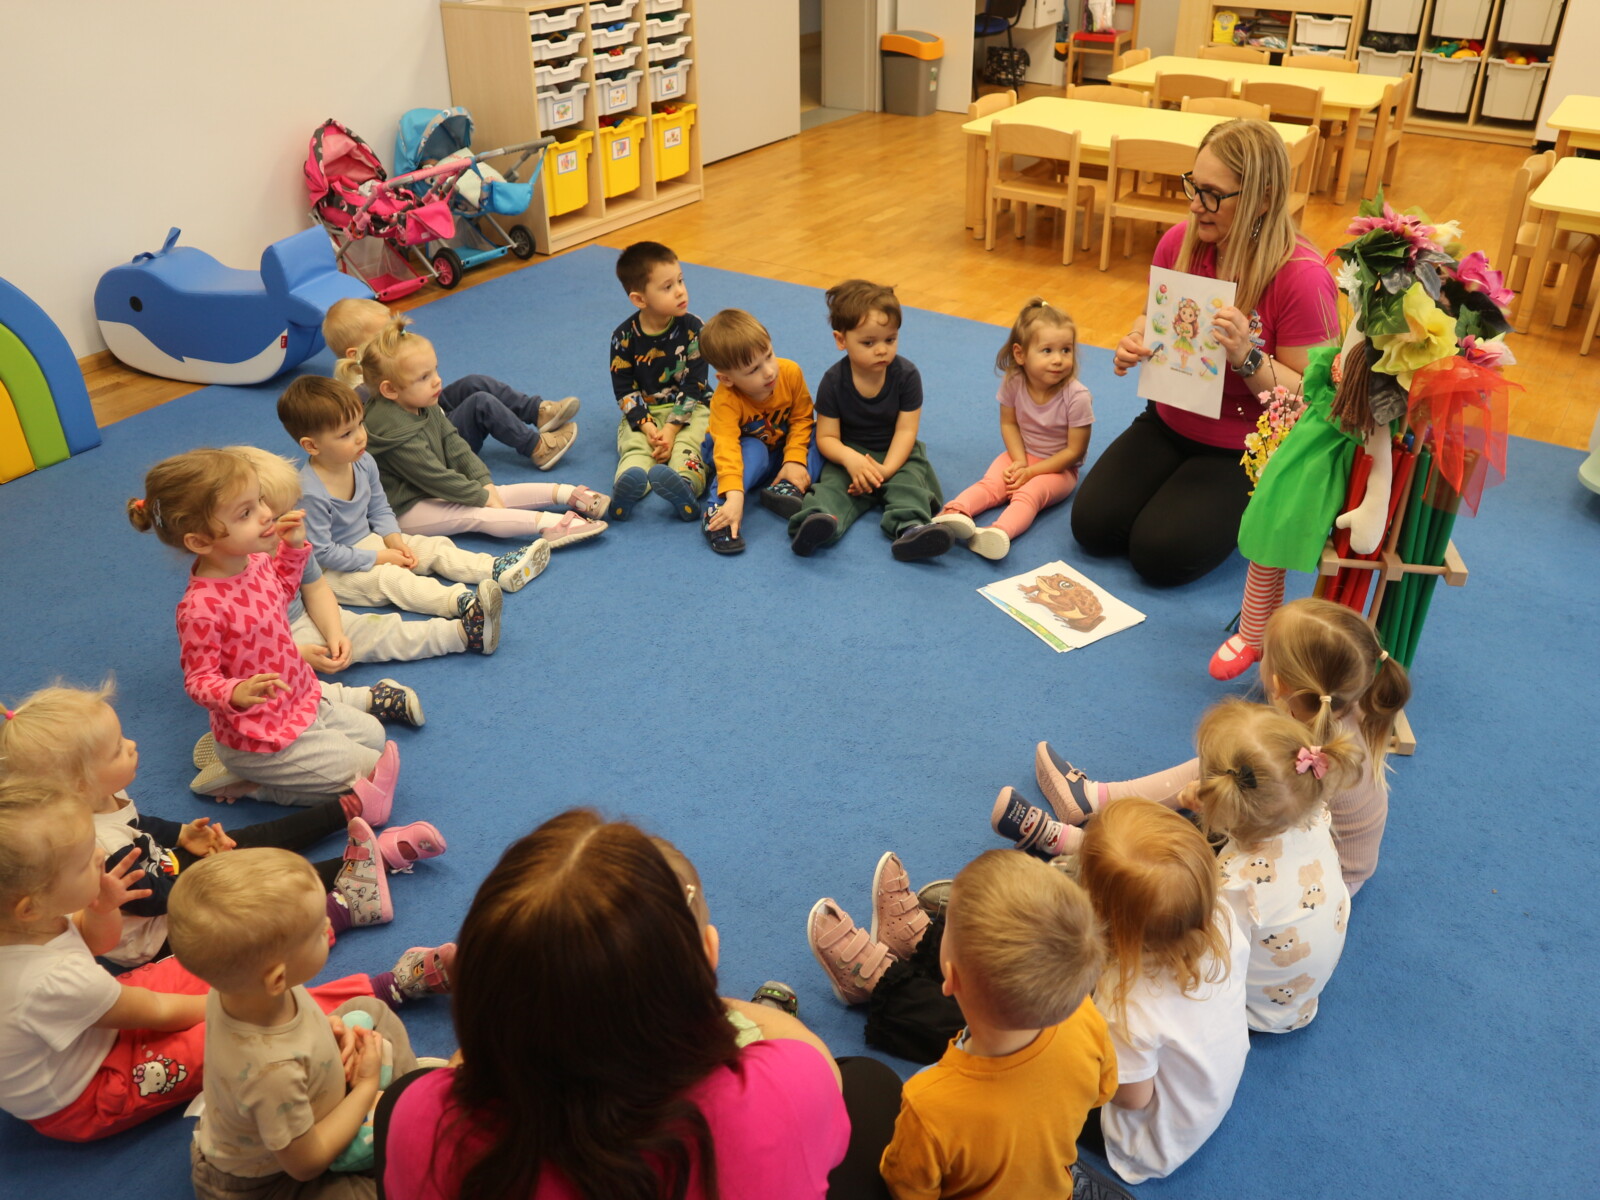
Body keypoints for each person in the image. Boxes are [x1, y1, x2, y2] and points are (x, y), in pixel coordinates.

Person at [377, 809, 903, 1200]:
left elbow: (470, 1068)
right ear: (704, 962)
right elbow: (816, 1063)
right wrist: (702, 998)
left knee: (403, 1090)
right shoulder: (782, 1089)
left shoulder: (423, 1125)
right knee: (869, 1084)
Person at [0, 779, 386, 1141]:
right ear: (30, 907)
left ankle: (335, 914)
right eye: (85, 861)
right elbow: (158, 1011)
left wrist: (102, 910)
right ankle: (384, 988)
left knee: (209, 957)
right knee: (248, 1027)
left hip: (99, 1014)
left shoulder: (26, 921)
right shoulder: (48, 979)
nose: (100, 854)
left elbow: (97, 942)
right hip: (90, 1089)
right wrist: (236, 1003)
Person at [0, 681, 444, 968]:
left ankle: (351, 808)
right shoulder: (95, 846)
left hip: (167, 875)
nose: (132, 745)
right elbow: (149, 901)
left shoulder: (99, 799)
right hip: (165, 932)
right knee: (255, 886)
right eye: (117, 749)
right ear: (80, 784)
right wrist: (213, 869)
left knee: (245, 839)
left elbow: (138, 823)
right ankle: (368, 870)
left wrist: (182, 836)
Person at [1071, 119, 1341, 587]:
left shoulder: (1302, 277)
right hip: (1169, 421)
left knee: (1159, 556)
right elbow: (1149, 316)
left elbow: (1315, 402)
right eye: (1194, 187)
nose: (1196, 205)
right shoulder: (1181, 242)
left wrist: (1248, 356)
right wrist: (1135, 339)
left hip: (1244, 447)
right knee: (1092, 528)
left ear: (1262, 199)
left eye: (1213, 194)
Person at [1022, 597, 1410, 896]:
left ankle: (1086, 848)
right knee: (1226, 769)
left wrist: (1208, 803)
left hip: (1315, 879)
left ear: (1278, 684)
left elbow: (1259, 822)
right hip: (1323, 851)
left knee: (1190, 849)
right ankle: (1094, 802)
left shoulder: (1307, 751)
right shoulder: (1346, 710)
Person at [811, 850, 1130, 1200]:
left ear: (950, 978)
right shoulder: (1085, 1016)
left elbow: (908, 1189)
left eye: (944, 927)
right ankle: (907, 951)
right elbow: (1104, 1090)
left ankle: (886, 978)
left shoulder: (929, 1103)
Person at [127, 448, 402, 809]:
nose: (266, 513)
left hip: (300, 700)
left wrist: (293, 548)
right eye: (246, 512)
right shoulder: (200, 609)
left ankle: (248, 767)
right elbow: (199, 680)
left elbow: (281, 592)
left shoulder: (255, 561)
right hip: (261, 737)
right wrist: (235, 691)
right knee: (369, 772)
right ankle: (252, 784)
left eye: (259, 500)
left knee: (376, 738)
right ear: (200, 542)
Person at [170, 849, 450, 1199]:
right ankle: (402, 1120)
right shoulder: (270, 1072)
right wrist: (365, 1086)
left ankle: (402, 1109)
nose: (330, 926)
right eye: (319, 930)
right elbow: (307, 1164)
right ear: (277, 978)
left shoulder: (245, 990)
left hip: (302, 1106)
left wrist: (329, 1030)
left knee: (368, 1009)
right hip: (271, 1181)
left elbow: (294, 1031)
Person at [1073, 799, 1250, 1185]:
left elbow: (1132, 1099)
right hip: (1207, 1096)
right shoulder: (1224, 918)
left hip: (1150, 1143)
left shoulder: (1125, 1005)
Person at [278, 378, 552, 611]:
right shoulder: (310, 493)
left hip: (367, 543)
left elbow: (379, 507)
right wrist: (381, 558)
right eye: (346, 434)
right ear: (311, 446)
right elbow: (324, 554)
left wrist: (393, 539)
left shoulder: (362, 460)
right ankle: (460, 604)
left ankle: (496, 568)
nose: (361, 437)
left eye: (360, 424)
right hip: (331, 573)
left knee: (431, 548)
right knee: (392, 580)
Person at [233, 444, 499, 674]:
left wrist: (335, 632)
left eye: (287, 512)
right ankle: (365, 700)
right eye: (275, 518)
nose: (286, 523)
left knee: (376, 629)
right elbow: (240, 653)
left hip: (307, 613)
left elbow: (315, 590)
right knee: (306, 692)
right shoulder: (231, 578)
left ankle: (464, 633)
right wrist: (294, 655)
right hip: (274, 647)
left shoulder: (291, 544)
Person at [349, 315, 608, 545]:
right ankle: (550, 525)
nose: (437, 380)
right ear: (390, 390)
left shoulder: (420, 401)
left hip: (428, 487)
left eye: (435, 370)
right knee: (476, 514)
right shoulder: (391, 427)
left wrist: (484, 483)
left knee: (495, 492)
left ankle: (566, 493)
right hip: (404, 508)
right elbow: (434, 477)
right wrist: (481, 496)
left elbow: (453, 442)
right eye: (424, 377)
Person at [1188, 698, 1355, 1032]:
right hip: (1303, 995)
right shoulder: (1317, 816)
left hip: (1256, 1013)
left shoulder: (1234, 883)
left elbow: (1208, 959)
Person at [787, 279, 953, 562]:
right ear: (841, 340)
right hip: (850, 452)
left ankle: (911, 529)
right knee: (831, 487)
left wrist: (886, 470)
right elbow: (826, 437)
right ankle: (816, 522)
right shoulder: (833, 381)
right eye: (868, 342)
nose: (882, 350)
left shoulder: (907, 376)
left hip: (896, 452)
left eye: (890, 340)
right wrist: (851, 461)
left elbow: (906, 430)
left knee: (909, 485)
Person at [324, 296, 581, 469]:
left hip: (430, 417)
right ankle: (537, 448)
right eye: (384, 336)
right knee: (480, 404)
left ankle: (538, 412)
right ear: (354, 353)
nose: (396, 337)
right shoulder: (361, 394)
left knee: (473, 383)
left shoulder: (376, 370)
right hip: (434, 448)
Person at [931, 298, 1092, 562]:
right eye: (1047, 350)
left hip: (1059, 468)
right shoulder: (1014, 381)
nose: (1058, 359)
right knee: (992, 484)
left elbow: (1074, 451)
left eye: (1066, 350)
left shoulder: (1077, 397)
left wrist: (1031, 472)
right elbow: (1009, 423)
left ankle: (999, 533)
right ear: (1020, 354)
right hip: (1021, 455)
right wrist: (1019, 461)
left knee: (1029, 494)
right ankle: (955, 513)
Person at [698, 308, 824, 555]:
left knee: (823, 433)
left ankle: (787, 485)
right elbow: (727, 448)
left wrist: (795, 460)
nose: (768, 371)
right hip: (737, 453)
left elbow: (801, 420)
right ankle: (717, 510)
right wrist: (735, 496)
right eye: (753, 370)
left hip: (778, 449)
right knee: (755, 448)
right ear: (726, 379)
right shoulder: (726, 399)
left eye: (769, 355)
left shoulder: (790, 373)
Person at [607, 241, 715, 521]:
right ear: (640, 299)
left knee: (691, 441)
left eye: (680, 280)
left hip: (692, 407)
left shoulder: (694, 328)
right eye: (667, 287)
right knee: (634, 445)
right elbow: (624, 389)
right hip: (647, 412)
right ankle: (627, 485)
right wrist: (647, 427)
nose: (680, 291)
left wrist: (671, 428)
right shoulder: (622, 337)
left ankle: (686, 484)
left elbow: (695, 384)